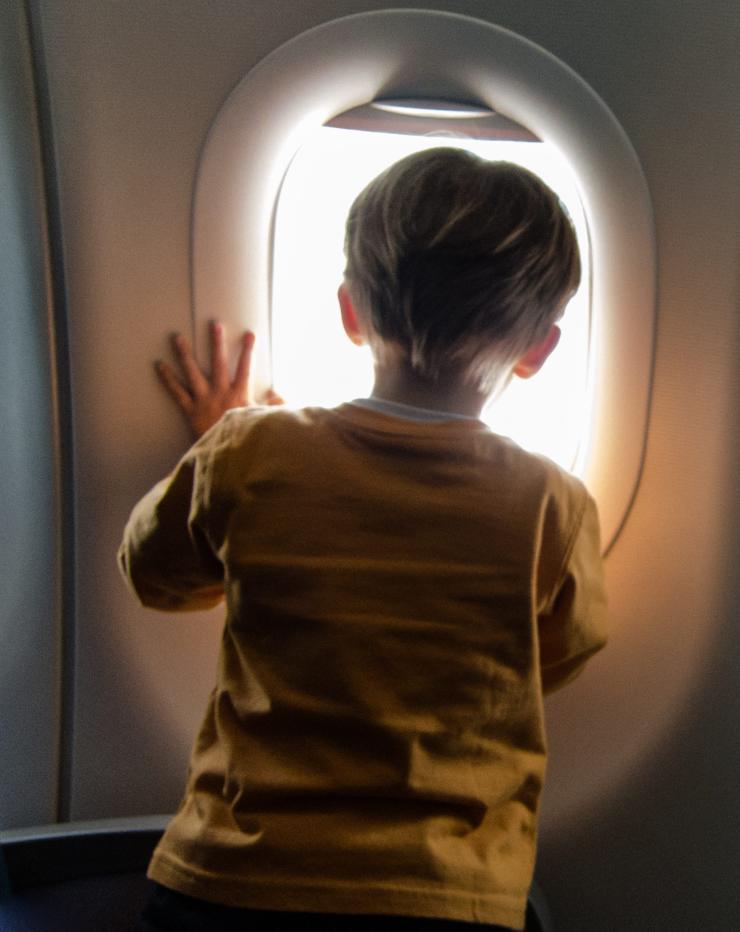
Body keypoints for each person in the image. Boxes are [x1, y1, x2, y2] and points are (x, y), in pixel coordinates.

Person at [120, 147, 608, 931]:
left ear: (350, 310)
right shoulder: (552, 504)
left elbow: (153, 576)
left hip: (232, 884)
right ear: (538, 350)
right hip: (445, 898)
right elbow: (563, 650)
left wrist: (213, 463)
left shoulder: (246, 452)